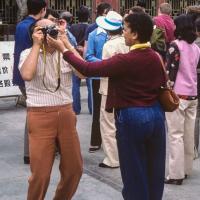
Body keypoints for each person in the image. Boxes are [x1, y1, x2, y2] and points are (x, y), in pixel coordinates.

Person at [48, 12, 166, 200]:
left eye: (125, 30)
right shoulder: (155, 57)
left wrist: (63, 50)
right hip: (156, 116)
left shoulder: (125, 60)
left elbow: (87, 69)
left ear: (135, 34)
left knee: (134, 172)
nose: (123, 33)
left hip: (133, 116)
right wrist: (67, 44)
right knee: (154, 169)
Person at [19, 19, 83, 200]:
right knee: (40, 174)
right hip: (40, 116)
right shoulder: (27, 54)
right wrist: (36, 45)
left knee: (74, 168)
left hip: (66, 113)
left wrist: (66, 43)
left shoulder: (66, 53)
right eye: (44, 30)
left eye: (53, 29)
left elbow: (84, 72)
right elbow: (27, 74)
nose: (50, 33)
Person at [165, 15, 200, 185]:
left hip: (177, 95)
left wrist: (165, 88)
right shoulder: (196, 48)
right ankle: (186, 169)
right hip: (193, 94)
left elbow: (171, 71)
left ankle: (175, 174)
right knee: (188, 134)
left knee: (175, 135)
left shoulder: (174, 46)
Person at [13, 0, 46, 165]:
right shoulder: (35, 27)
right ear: (43, 10)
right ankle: (31, 153)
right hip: (30, 75)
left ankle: (31, 152)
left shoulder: (20, 25)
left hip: (20, 74)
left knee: (32, 113)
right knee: (35, 114)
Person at [95, 11, 129, 168]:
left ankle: (112, 159)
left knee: (108, 124)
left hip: (109, 89)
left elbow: (105, 68)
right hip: (126, 89)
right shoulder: (126, 43)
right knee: (123, 124)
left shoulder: (109, 45)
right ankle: (124, 155)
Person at [85, 2, 112, 153]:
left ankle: (112, 141)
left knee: (112, 109)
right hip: (97, 77)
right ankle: (96, 140)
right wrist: (104, 63)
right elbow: (89, 56)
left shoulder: (118, 35)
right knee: (97, 110)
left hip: (113, 76)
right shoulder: (93, 34)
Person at [70, 6, 92, 115]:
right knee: (90, 85)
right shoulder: (91, 27)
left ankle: (76, 109)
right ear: (88, 16)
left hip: (75, 58)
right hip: (88, 58)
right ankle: (92, 108)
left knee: (75, 84)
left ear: (76, 17)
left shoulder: (72, 28)